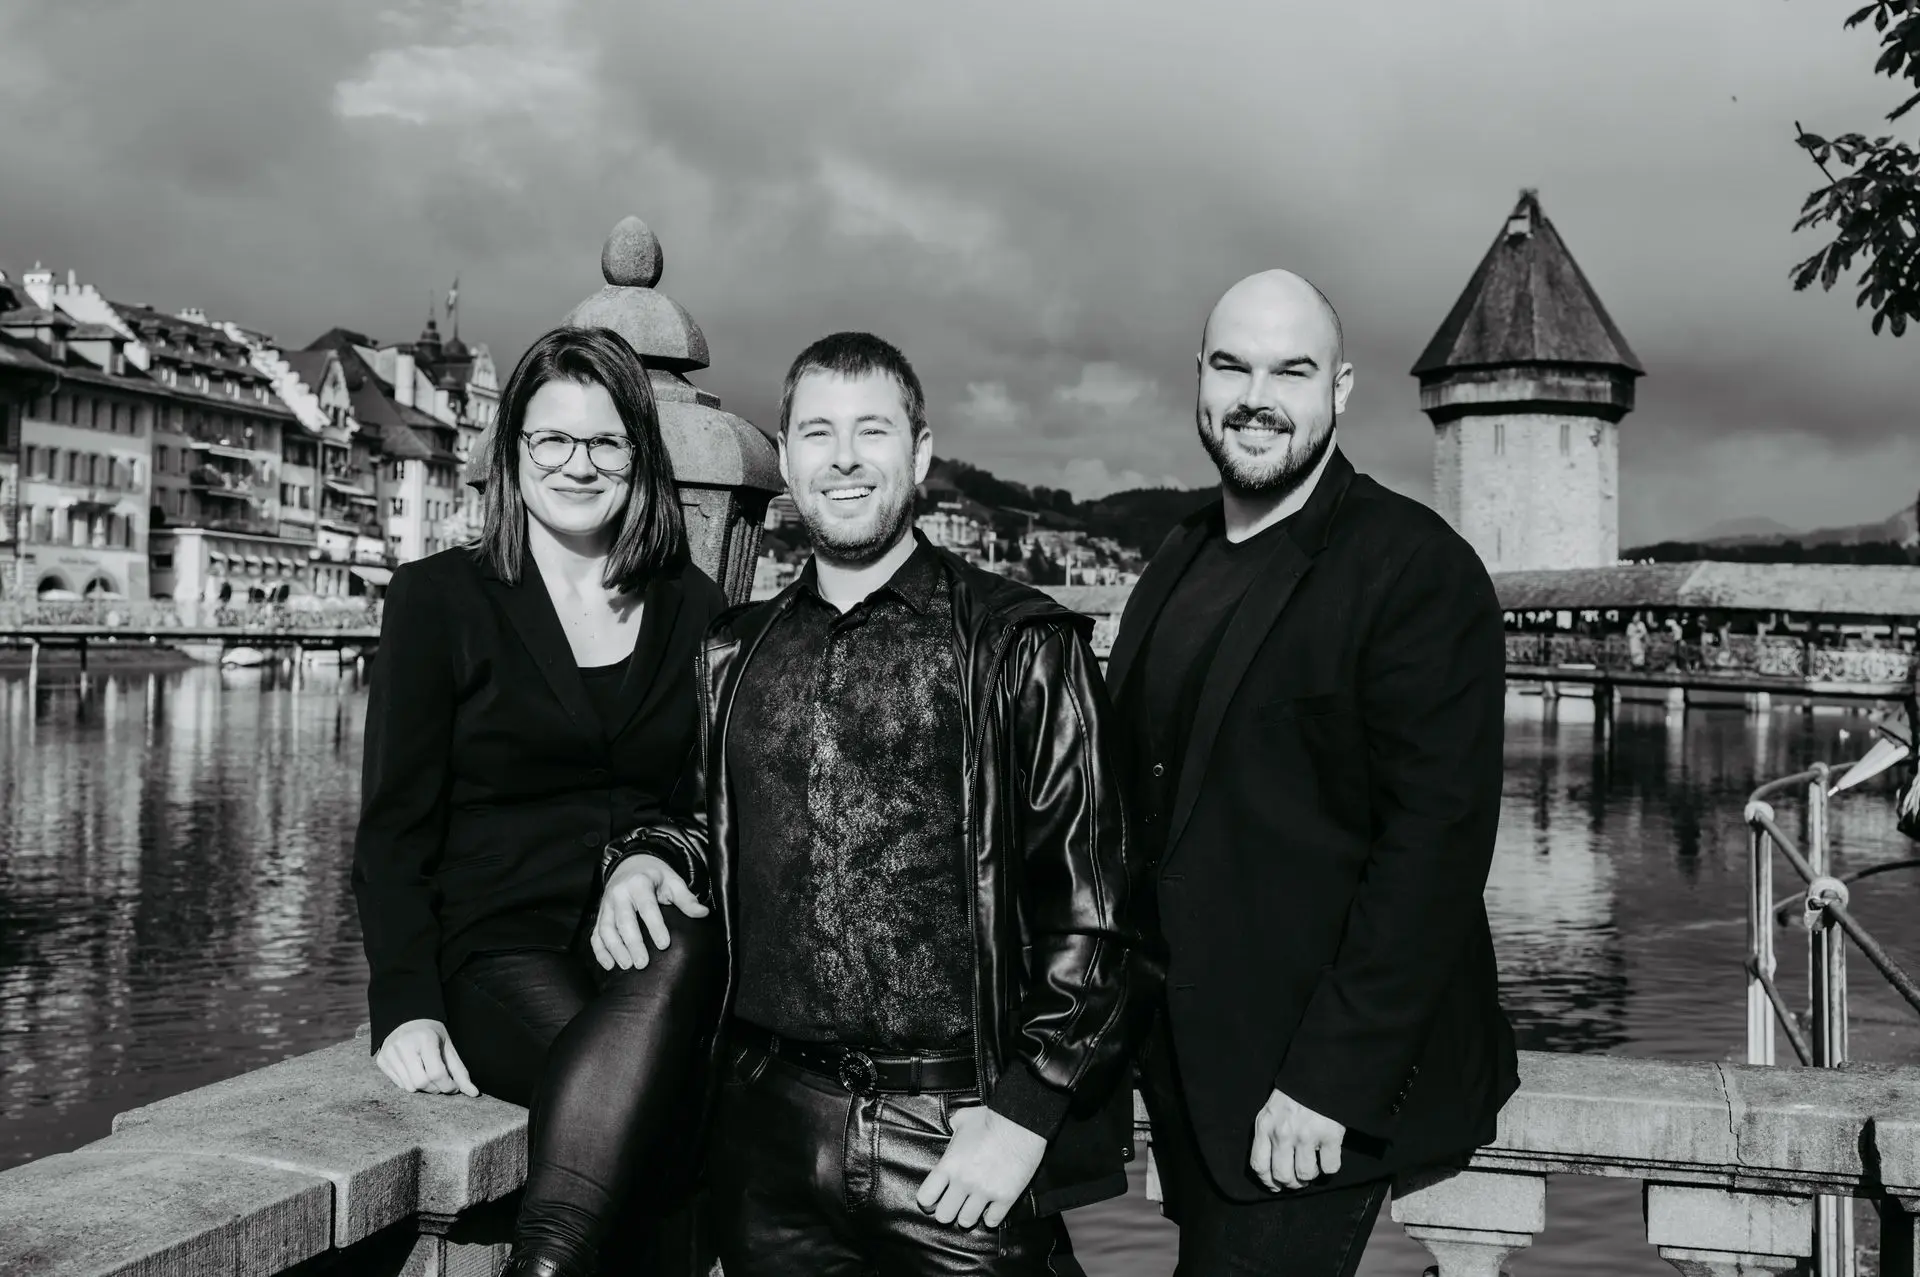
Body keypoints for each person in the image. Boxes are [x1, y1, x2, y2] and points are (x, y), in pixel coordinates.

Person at [598, 331, 1153, 1276]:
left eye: (872, 431)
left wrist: (1028, 1112)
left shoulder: (1021, 645)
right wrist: (648, 856)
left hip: (956, 1137)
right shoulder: (734, 652)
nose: (845, 457)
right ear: (786, 458)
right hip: (764, 1135)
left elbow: (1098, 915)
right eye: (818, 432)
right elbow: (703, 815)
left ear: (921, 454)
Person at [1108, 271, 1518, 1276]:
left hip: (1308, 1094)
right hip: (1186, 1076)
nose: (1257, 395)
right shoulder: (1177, 556)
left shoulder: (1413, 566)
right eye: (1232, 365)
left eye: (1290, 370)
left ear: (1338, 389)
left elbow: (1435, 849)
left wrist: (1333, 1078)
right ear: (1199, 380)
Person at [352, 325, 727, 1277]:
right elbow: (394, 827)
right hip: (496, 944)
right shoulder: (439, 599)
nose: (578, 464)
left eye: (605, 442)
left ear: (639, 455)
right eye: (552, 439)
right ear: (512, 452)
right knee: (651, 1106)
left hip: (647, 942)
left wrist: (653, 855)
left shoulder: (694, 604)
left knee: (680, 949)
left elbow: (710, 796)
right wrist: (402, 1005)